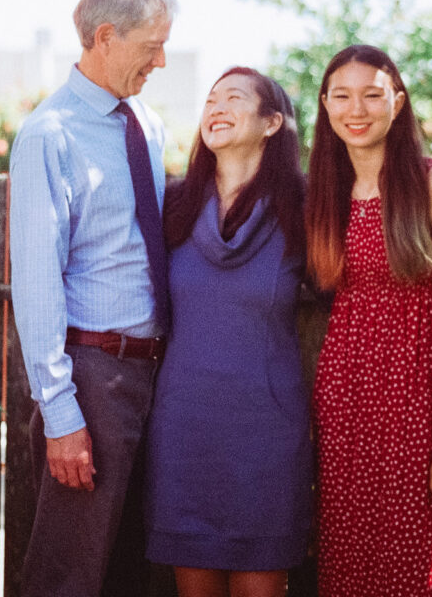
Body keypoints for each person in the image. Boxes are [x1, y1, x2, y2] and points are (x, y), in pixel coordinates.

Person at [9, 0, 177, 597]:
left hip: (154, 375)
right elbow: (35, 282)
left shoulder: (147, 126)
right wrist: (61, 414)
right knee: (68, 577)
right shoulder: (49, 136)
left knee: (132, 573)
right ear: (105, 37)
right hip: (92, 377)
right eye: (151, 46)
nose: (161, 60)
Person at [307, 45, 432, 597]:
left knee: (414, 566)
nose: (356, 108)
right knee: (348, 564)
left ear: (397, 103)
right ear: (325, 106)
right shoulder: (325, 193)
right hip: (345, 401)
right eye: (342, 95)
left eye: (372, 94)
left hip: (418, 400)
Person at [144, 67, 313, 597]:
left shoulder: (304, 208)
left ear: (272, 123)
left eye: (234, 98)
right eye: (210, 99)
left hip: (267, 432)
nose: (215, 106)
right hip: (185, 428)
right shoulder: (172, 204)